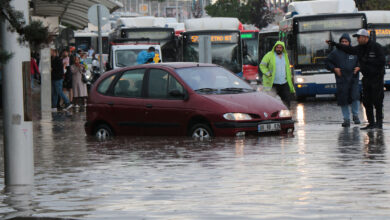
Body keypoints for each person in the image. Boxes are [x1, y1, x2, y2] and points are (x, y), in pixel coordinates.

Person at [327, 29, 386, 130]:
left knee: (377, 101)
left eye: (358, 37)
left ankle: (379, 123)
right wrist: (336, 44)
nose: (357, 39)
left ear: (365, 37)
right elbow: (349, 49)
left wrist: (367, 62)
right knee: (367, 102)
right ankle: (371, 123)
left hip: (377, 78)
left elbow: (382, 61)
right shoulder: (360, 48)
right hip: (366, 78)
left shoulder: (376, 47)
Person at [326, 33, 361, 127]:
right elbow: (327, 62)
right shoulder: (335, 52)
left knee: (355, 97)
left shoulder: (354, 51)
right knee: (343, 99)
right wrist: (334, 69)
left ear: (349, 42)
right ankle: (346, 119)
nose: (344, 43)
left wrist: (359, 67)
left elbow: (362, 60)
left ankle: (356, 115)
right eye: (342, 41)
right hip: (342, 80)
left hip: (353, 79)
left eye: (346, 41)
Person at [259, 41, 295, 108]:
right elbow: (262, 65)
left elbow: (287, 68)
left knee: (287, 101)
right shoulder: (269, 55)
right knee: (271, 102)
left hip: (284, 83)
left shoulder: (285, 56)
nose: (278, 49)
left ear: (283, 48)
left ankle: (286, 115)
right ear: (275, 47)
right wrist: (268, 74)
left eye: (280, 47)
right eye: (277, 47)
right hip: (273, 83)